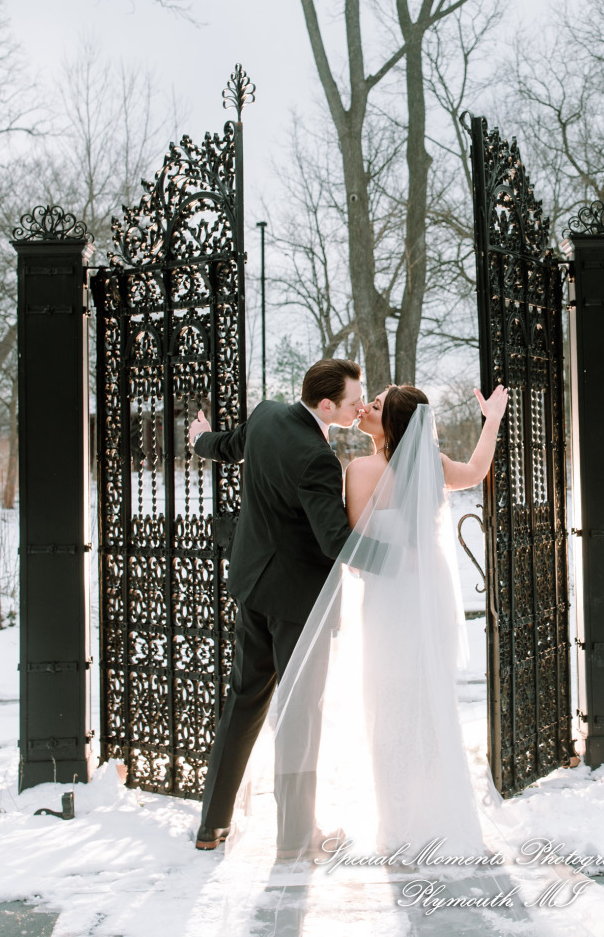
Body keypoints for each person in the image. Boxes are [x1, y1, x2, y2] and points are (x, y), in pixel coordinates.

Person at [257, 381, 508, 864]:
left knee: (388, 701)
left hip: (388, 598)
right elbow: (477, 471)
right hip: (429, 593)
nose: (364, 409)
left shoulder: (360, 470)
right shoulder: (432, 465)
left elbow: (353, 547)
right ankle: (440, 817)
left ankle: (399, 824)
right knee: (429, 700)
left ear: (390, 423)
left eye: (373, 406)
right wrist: (491, 420)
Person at [187, 358, 368, 852]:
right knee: (299, 715)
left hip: (253, 589)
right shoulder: (317, 458)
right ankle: (295, 837)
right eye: (354, 402)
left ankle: (212, 825)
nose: (360, 408)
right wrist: (398, 561)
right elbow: (336, 542)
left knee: (243, 701)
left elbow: (227, 445)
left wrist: (200, 439)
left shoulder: (266, 415)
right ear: (326, 404)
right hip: (299, 608)